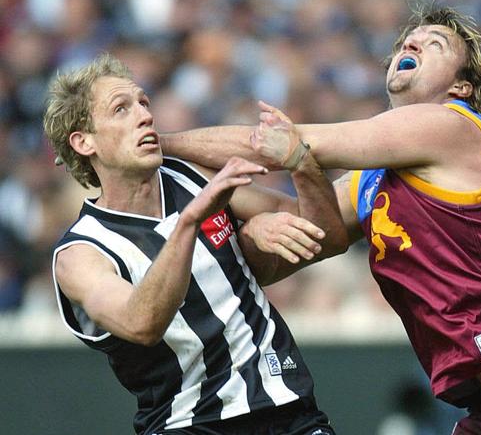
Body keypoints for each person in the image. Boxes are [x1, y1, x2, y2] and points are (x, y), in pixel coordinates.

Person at [160, 0, 481, 434]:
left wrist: (157, 146)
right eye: (407, 40)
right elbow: (304, 220)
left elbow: (282, 144)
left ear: (460, 86)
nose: (411, 42)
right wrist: (199, 181)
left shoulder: (452, 124)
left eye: (434, 43)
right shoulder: (370, 181)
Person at [43, 53, 348, 435]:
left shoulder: (190, 177)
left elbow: (325, 235)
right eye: (121, 109)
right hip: (189, 423)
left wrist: (300, 163)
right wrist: (190, 221)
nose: (144, 114)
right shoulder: (81, 254)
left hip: (289, 410)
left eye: (144, 103)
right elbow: (141, 323)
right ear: (83, 141)